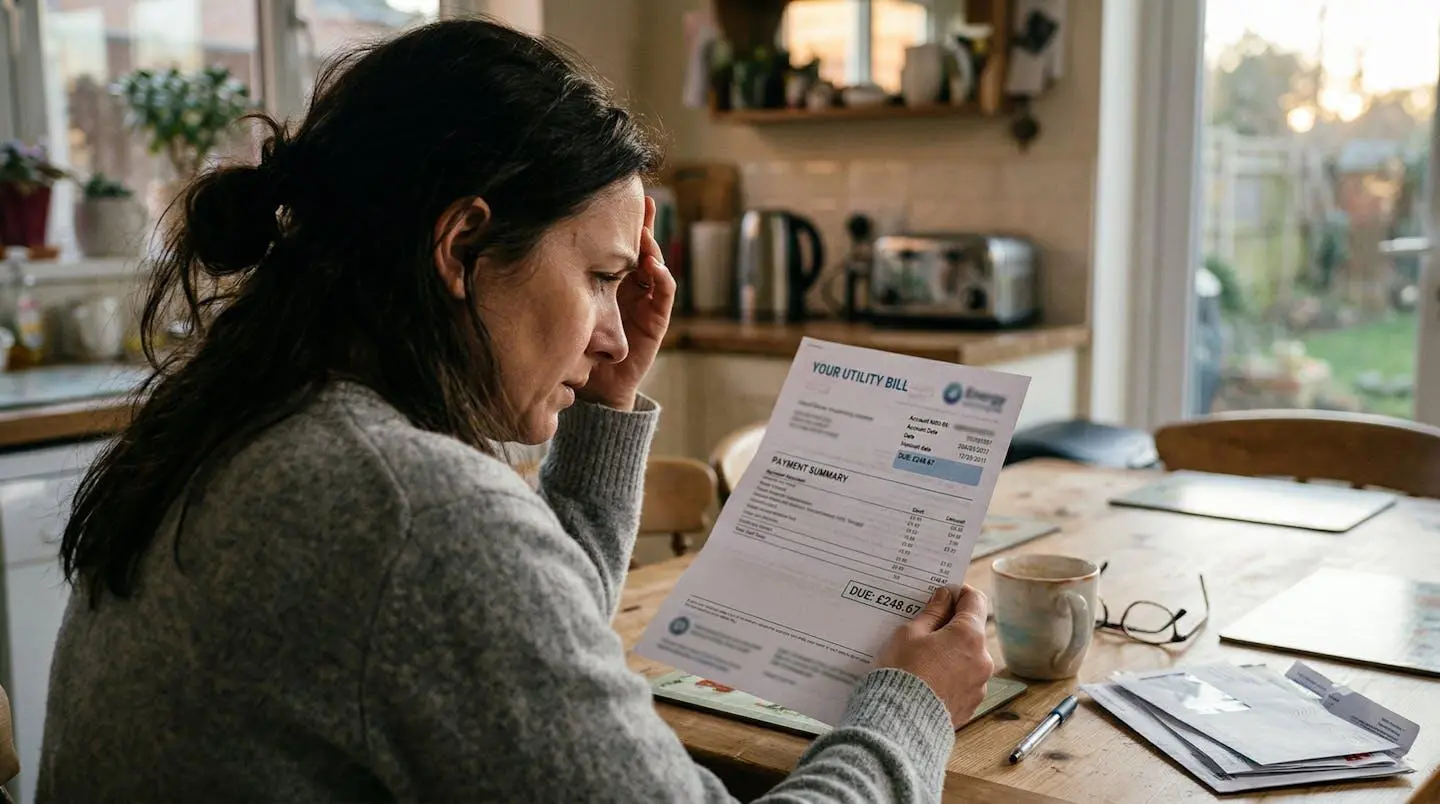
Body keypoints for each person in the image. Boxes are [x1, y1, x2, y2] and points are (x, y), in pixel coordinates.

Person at [38, 18, 993, 804]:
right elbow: (472, 587)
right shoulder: (410, 511)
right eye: (598, 277)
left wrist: (605, 405)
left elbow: (510, 644)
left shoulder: (252, 418)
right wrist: (909, 704)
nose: (618, 336)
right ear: (461, 246)